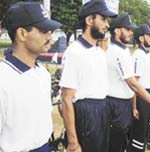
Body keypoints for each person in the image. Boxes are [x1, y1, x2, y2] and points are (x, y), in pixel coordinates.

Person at [0, 2, 62, 152]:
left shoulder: (43, 74)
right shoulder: (3, 80)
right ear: (22, 34)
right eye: (43, 30)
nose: (49, 36)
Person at [59, 0, 117, 152]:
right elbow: (66, 99)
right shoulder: (75, 52)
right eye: (103, 19)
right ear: (89, 20)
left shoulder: (99, 52)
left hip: (101, 110)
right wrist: (73, 142)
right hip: (86, 114)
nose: (107, 25)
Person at [106, 18, 150, 152]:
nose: (131, 33)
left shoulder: (123, 50)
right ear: (116, 31)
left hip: (126, 101)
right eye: (127, 29)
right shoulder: (117, 51)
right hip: (117, 103)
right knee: (118, 142)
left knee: (125, 138)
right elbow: (133, 83)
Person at [127, 24, 150, 152]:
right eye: (148, 35)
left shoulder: (147, 55)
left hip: (148, 96)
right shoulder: (138, 55)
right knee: (139, 131)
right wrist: (134, 106)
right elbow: (135, 83)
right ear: (141, 38)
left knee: (145, 128)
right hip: (140, 96)